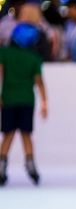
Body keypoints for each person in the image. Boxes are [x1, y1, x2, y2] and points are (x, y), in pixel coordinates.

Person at [0, 23, 48, 186]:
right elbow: (39, 82)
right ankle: (31, 166)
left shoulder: (4, 53)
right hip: (27, 100)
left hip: (9, 99)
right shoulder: (33, 58)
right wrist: (45, 102)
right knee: (26, 134)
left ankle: (1, 166)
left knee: (8, 134)